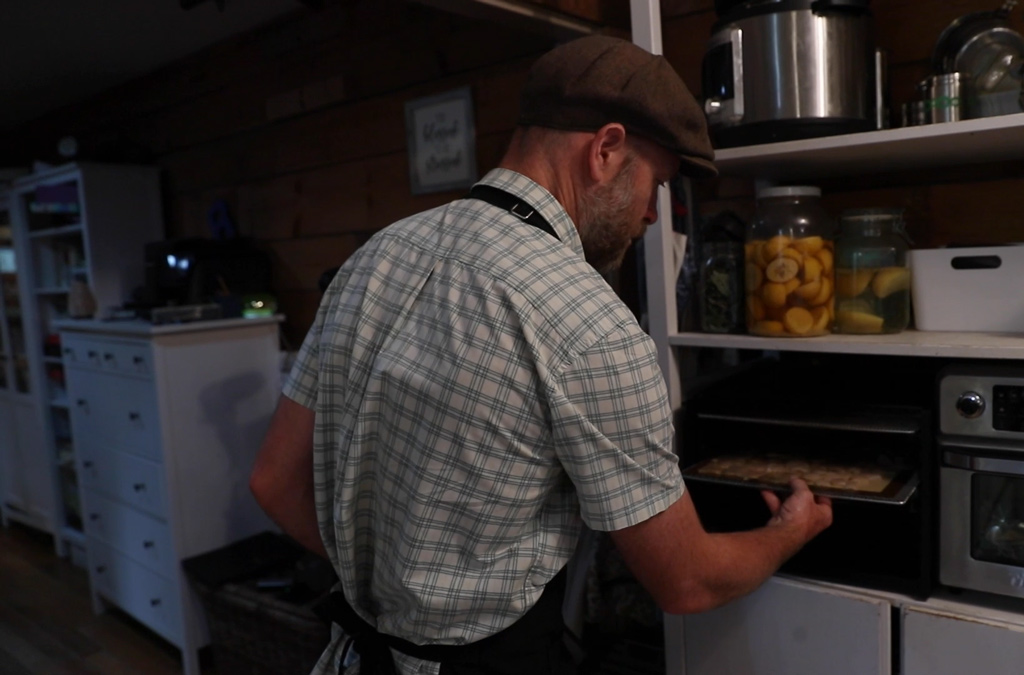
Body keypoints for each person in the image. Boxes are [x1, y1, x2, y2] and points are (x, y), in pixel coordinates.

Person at [249, 34, 833, 675]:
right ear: (607, 150)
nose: (650, 216)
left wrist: (395, 591)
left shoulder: (376, 255)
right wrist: (790, 532)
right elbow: (686, 581)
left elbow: (274, 482)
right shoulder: (590, 323)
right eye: (656, 184)